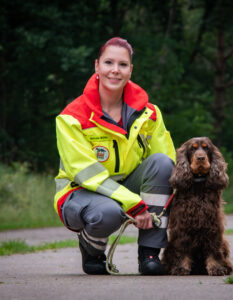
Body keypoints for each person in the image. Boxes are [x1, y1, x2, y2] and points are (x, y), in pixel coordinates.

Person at [54, 37, 176, 275]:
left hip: (127, 189)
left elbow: (166, 160)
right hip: (80, 191)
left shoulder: (150, 113)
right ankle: (93, 249)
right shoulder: (71, 117)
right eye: (108, 62)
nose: (115, 70)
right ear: (96, 66)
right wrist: (134, 204)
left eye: (122, 64)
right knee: (108, 211)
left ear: (131, 70)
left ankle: (149, 253)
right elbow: (86, 173)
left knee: (162, 164)